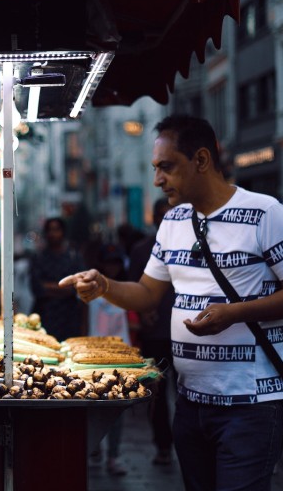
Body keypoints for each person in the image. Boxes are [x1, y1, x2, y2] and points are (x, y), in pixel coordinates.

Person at [60, 115, 283, 491]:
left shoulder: (266, 213)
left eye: (167, 167)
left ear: (200, 160)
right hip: (190, 403)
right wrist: (103, 285)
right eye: (155, 168)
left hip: (252, 406)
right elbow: (147, 292)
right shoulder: (173, 221)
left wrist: (234, 313)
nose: (157, 180)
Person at [128, 197, 176, 467]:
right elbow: (135, 287)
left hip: (187, 332)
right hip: (155, 331)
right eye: (161, 214)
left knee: (187, 393)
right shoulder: (142, 249)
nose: (166, 217)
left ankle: (184, 441)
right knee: (156, 391)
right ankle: (163, 444)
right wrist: (143, 311)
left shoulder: (192, 245)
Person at [87, 242, 130, 476]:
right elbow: (84, 319)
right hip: (93, 354)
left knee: (117, 407)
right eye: (108, 262)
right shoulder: (90, 289)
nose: (112, 267)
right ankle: (95, 449)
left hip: (121, 354)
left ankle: (113, 454)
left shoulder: (127, 288)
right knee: (94, 404)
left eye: (116, 263)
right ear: (101, 264)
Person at [29, 217, 86, 341]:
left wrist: (49, 286)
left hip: (69, 317)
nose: (52, 234)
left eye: (56, 230)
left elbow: (78, 286)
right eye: (49, 230)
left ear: (63, 232)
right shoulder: (39, 257)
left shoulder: (73, 256)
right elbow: (37, 287)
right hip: (45, 316)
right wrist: (65, 287)